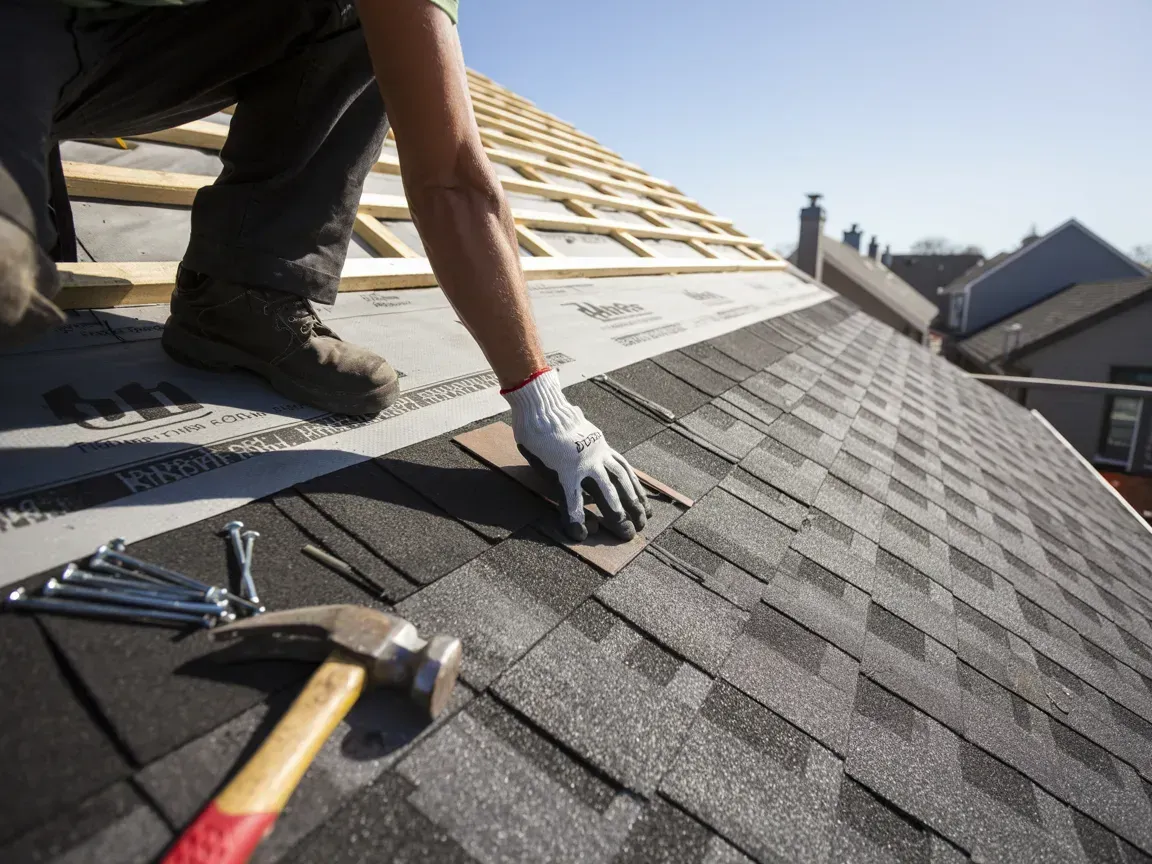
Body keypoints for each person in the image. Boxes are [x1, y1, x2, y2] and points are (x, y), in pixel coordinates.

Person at [0, 0, 649, 541]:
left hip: (119, 51)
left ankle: (241, 293)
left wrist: (540, 400)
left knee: (357, 14)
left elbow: (451, 173)